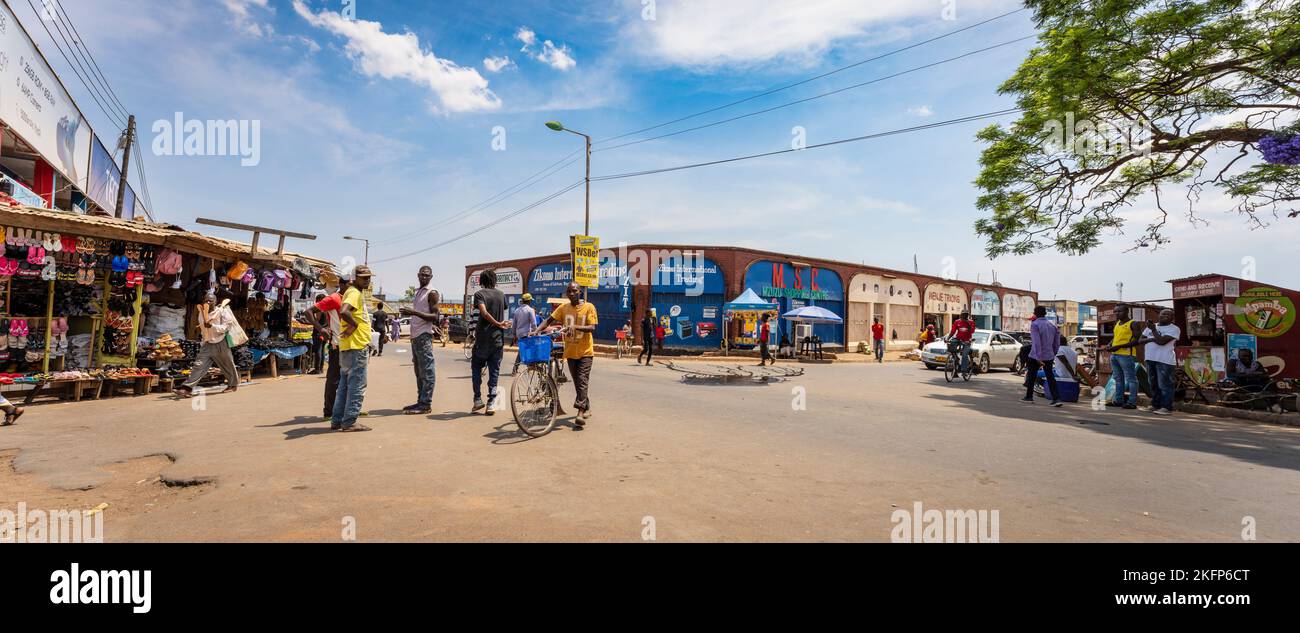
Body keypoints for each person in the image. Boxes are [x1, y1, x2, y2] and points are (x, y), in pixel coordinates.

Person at [543, 282, 598, 426]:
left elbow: (592, 327)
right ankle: (587, 406)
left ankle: (580, 412)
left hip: (586, 351)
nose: (571, 294)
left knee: (582, 380)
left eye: (574, 291)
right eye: (569, 291)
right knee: (578, 383)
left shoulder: (589, 307)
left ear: (579, 292)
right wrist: (536, 331)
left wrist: (575, 326)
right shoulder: (564, 308)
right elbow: (548, 320)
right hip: (570, 352)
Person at [175, 293, 242, 396]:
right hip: (207, 343)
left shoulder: (222, 311)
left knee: (227, 364)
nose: (208, 302)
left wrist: (212, 326)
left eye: (210, 300)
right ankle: (187, 388)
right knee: (198, 365)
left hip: (221, 342)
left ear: (215, 302)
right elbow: (202, 328)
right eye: (206, 300)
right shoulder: (201, 312)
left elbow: (226, 327)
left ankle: (233, 385)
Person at [332, 265, 374, 432]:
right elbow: (344, 311)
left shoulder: (352, 292)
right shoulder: (354, 293)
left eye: (369, 277)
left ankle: (338, 420)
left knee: (344, 386)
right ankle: (349, 421)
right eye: (364, 277)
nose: (368, 280)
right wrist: (355, 325)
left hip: (349, 346)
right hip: (356, 346)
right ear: (355, 278)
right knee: (357, 385)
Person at [398, 266, 440, 415]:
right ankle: (420, 400)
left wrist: (413, 312)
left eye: (427, 276)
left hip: (424, 335)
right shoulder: (418, 292)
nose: (424, 277)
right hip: (415, 336)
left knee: (427, 370)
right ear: (418, 275)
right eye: (422, 275)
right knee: (419, 371)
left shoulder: (432, 293)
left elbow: (435, 317)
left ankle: (426, 403)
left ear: (431, 277)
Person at [470, 269, 510, 415]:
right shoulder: (501, 295)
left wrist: (498, 323)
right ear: (494, 280)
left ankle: (477, 399)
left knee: (476, 368)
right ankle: (491, 402)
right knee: (494, 373)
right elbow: (504, 308)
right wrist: (500, 324)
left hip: (482, 340)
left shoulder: (479, 294)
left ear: (481, 281)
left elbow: (484, 312)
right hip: (497, 340)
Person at [309, 279, 347, 422]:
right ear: (342, 285)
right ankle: (328, 411)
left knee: (349, 380)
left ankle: (345, 409)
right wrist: (321, 329)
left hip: (349, 346)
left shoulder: (349, 298)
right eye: (349, 284)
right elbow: (309, 312)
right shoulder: (334, 298)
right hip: (337, 345)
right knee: (333, 380)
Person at [1101, 304, 1144, 409]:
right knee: (1118, 379)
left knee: (1131, 379)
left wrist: (1119, 346)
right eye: (1115, 311)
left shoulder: (1133, 323)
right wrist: (1110, 344)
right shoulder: (1117, 323)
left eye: (1119, 311)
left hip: (1126, 355)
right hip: (1115, 355)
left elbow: (1137, 341)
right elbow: (1116, 337)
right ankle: (1118, 400)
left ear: (1126, 312)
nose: (1116, 313)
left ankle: (1132, 402)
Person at [1140, 308, 1180, 415]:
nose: (1165, 316)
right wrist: (1153, 338)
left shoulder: (1174, 329)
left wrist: (1153, 331)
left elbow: (1162, 342)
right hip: (1150, 358)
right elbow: (1140, 340)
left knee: (1165, 385)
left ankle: (1166, 407)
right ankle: (1155, 405)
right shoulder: (1150, 327)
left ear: (1172, 318)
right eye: (1163, 314)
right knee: (1153, 384)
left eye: (1168, 314)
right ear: (1159, 315)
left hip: (1164, 360)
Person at [1022, 305, 1062, 406]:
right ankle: (1056, 398)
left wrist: (1038, 357)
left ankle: (1029, 396)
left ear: (1035, 313)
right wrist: (1053, 352)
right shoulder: (1052, 325)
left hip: (1036, 355)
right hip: (1049, 355)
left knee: (1031, 375)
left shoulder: (1035, 325)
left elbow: (1036, 342)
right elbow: (1057, 342)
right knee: (1050, 377)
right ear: (1045, 313)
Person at [510, 293, 538, 375]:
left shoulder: (517, 310)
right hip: (527, 333)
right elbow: (533, 324)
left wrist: (514, 335)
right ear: (529, 301)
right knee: (526, 350)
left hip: (519, 334)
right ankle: (527, 367)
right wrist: (536, 333)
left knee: (523, 350)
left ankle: (518, 368)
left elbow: (514, 324)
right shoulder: (530, 310)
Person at [308, 293, 329, 375]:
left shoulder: (320, 309)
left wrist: (310, 320)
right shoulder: (327, 309)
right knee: (322, 350)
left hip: (318, 332)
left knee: (318, 351)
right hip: (325, 332)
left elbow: (316, 320)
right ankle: (320, 369)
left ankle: (317, 369)